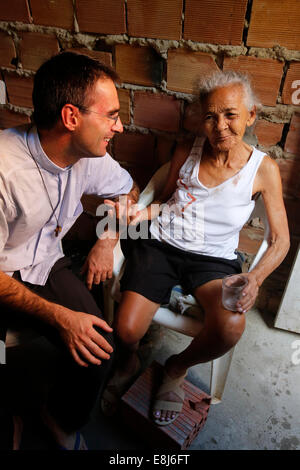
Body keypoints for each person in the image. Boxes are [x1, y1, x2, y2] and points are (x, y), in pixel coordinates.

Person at [102, 70, 290, 426]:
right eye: (211, 116)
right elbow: (163, 196)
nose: (220, 126)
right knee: (125, 331)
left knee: (230, 328)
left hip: (212, 261)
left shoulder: (263, 169)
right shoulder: (187, 148)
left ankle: (175, 368)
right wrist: (135, 213)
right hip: (161, 244)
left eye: (231, 115)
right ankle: (128, 361)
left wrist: (256, 278)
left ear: (250, 115)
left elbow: (280, 240)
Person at [0, 51, 139, 449]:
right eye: (111, 115)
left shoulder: (88, 154)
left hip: (44, 262)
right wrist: (59, 317)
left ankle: (58, 418)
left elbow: (126, 188)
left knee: (99, 349)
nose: (120, 126)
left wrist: (107, 238)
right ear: (71, 118)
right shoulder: (4, 172)